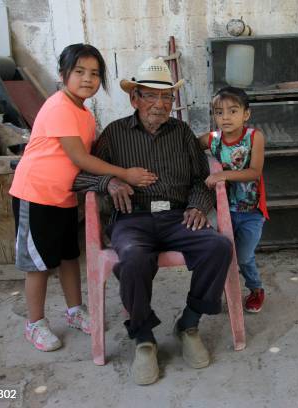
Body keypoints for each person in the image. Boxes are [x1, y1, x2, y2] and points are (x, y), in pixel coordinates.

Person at [73, 57, 232, 385]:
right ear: (135, 99)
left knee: (218, 246)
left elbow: (202, 178)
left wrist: (199, 207)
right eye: (151, 96)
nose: (160, 105)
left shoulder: (182, 132)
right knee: (132, 257)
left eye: (166, 98)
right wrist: (110, 182)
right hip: (132, 220)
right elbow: (80, 178)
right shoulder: (116, 133)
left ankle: (188, 324)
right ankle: (143, 337)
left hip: (177, 216)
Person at [9, 43, 156, 353]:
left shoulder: (84, 114)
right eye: (79, 72)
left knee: (67, 257)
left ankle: (75, 310)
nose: (88, 79)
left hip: (63, 196)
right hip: (35, 194)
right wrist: (124, 174)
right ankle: (34, 323)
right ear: (63, 74)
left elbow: (93, 152)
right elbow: (80, 157)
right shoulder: (59, 105)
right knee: (38, 264)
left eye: (94, 73)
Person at [199, 86, 269, 313]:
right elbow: (188, 144)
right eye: (219, 112)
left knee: (244, 256)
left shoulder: (254, 137)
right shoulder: (213, 139)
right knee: (221, 254)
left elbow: (254, 172)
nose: (225, 117)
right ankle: (223, 290)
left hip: (251, 212)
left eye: (232, 111)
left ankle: (256, 289)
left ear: (246, 114)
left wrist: (222, 174)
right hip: (223, 212)